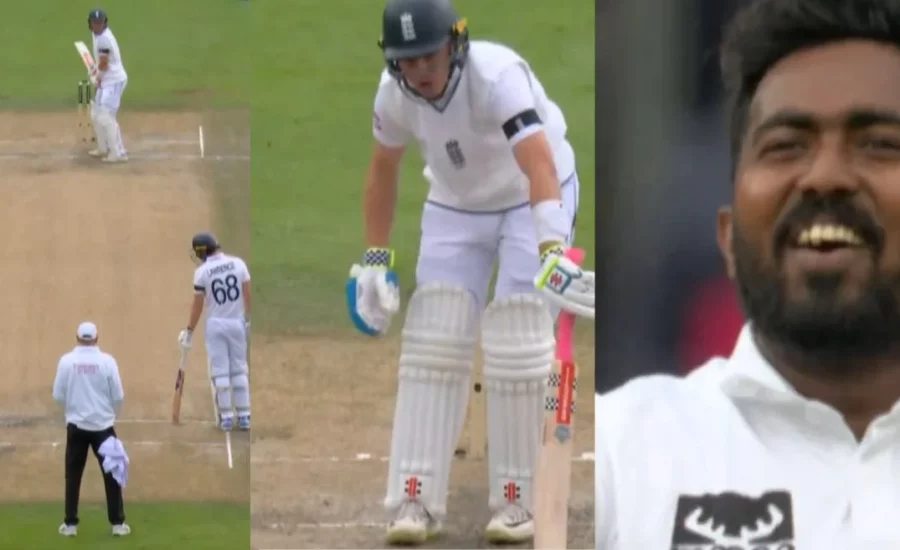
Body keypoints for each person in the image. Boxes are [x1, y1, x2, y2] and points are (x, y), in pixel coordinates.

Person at [594, 0, 900, 547]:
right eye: (786, 146)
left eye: (879, 144)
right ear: (726, 236)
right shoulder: (616, 454)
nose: (825, 176)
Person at [343, 0, 591, 545]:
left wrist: (551, 248)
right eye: (406, 62)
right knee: (435, 331)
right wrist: (376, 258)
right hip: (456, 205)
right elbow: (382, 171)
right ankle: (415, 496)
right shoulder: (393, 97)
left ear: (454, 44)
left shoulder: (497, 77)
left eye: (429, 57)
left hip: (533, 197)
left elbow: (539, 164)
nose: (420, 72)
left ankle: (517, 501)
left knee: (520, 335)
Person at [53, 321, 130, 537]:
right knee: (113, 474)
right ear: (97, 338)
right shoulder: (107, 362)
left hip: (76, 427)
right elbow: (118, 396)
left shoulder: (66, 362)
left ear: (77, 338)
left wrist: (72, 410)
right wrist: (111, 415)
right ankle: (117, 524)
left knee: (73, 474)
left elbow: (58, 395)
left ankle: (70, 524)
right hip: (103, 427)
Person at [179, 232, 252, 431]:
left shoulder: (202, 272)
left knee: (220, 372)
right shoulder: (238, 264)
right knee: (239, 368)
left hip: (216, 325)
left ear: (201, 252)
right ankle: (245, 415)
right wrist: (248, 319)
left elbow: (198, 306)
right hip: (237, 322)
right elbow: (247, 295)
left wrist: (189, 331)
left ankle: (227, 416)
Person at [86, 8, 128, 163]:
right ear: (90, 24)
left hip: (114, 81)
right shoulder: (96, 34)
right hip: (106, 80)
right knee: (95, 114)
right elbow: (101, 63)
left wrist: (97, 77)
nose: (97, 25)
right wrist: (97, 75)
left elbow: (104, 64)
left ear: (104, 22)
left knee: (106, 116)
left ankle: (118, 152)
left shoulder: (104, 39)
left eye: (99, 23)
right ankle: (103, 147)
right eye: (94, 23)